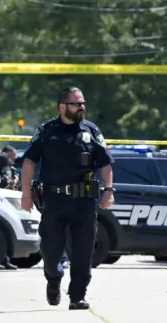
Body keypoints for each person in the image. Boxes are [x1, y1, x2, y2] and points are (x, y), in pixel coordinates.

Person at [20, 87, 115, 310]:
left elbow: (105, 163)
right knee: (51, 251)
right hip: (54, 201)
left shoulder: (91, 130)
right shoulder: (46, 131)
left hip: (84, 201)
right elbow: (28, 163)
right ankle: (53, 280)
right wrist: (26, 193)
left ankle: (77, 295)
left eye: (83, 103)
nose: (81, 107)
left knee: (83, 251)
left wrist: (108, 190)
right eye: (76, 103)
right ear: (62, 107)